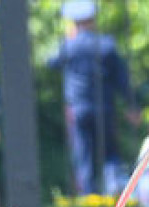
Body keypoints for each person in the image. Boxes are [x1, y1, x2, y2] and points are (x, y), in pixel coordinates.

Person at [47, 1, 135, 196]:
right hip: (105, 108)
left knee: (84, 155)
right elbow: (122, 79)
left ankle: (89, 198)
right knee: (110, 152)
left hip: (78, 109)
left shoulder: (69, 46)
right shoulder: (107, 44)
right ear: (93, 20)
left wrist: (68, 40)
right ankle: (113, 189)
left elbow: (50, 62)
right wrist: (131, 106)